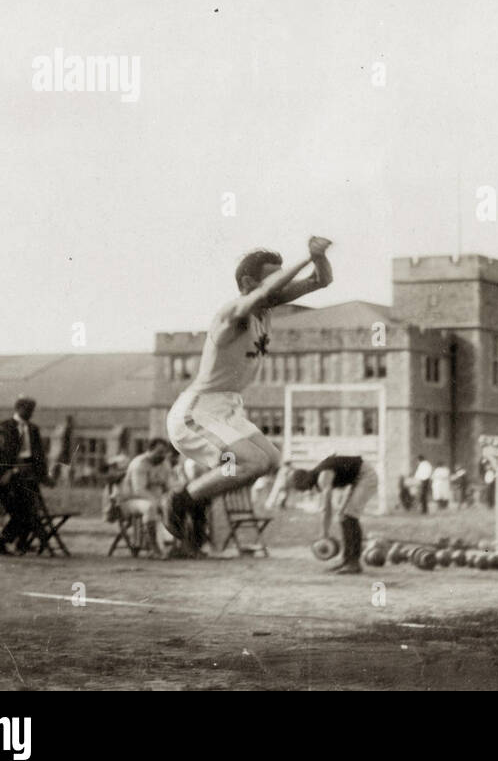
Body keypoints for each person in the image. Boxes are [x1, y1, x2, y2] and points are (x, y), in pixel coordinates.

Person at [162, 238, 334, 544]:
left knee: (270, 460)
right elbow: (267, 291)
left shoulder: (265, 308)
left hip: (229, 409)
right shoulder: (233, 313)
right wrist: (306, 257)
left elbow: (322, 280)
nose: (282, 287)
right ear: (247, 282)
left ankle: (198, 499)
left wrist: (318, 258)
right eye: (274, 278)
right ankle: (181, 500)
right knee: (251, 462)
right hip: (197, 411)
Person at [0, 396, 53, 554]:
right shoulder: (5, 426)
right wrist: (13, 468)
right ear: (18, 408)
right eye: (28, 410)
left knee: (31, 508)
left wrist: (44, 475)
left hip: (29, 474)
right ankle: (9, 542)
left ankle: (18, 542)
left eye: (32, 410)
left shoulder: (33, 429)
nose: (31, 413)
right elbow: (0, 454)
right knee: (26, 510)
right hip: (10, 476)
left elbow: (39, 455)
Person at [290, 454, 378, 573]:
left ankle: (354, 563)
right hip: (357, 478)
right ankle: (347, 560)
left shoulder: (323, 477)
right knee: (343, 516)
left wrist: (324, 533)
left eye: (305, 488)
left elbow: (327, 508)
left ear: (305, 481)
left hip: (366, 476)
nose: (308, 491)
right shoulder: (320, 474)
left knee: (349, 515)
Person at [118, 439, 174, 556]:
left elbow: (169, 486)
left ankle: (176, 546)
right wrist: (158, 502)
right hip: (130, 500)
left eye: (164, 452)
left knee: (174, 503)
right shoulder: (140, 463)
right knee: (150, 507)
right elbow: (139, 490)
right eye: (159, 452)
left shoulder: (164, 464)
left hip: (154, 499)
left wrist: (170, 498)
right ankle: (154, 547)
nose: (162, 456)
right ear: (149, 450)